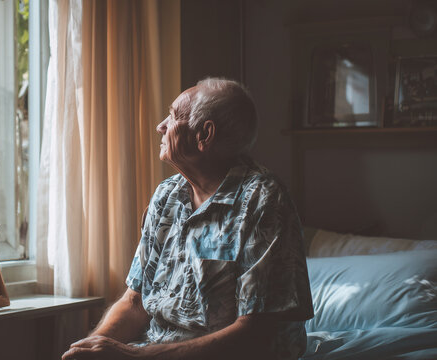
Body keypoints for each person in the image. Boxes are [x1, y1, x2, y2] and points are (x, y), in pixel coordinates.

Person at [62, 78, 314, 360]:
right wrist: (90, 347)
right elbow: (135, 302)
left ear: (204, 134)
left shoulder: (263, 201)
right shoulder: (166, 195)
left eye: (172, 116)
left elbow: (255, 332)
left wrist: (136, 358)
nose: (161, 126)